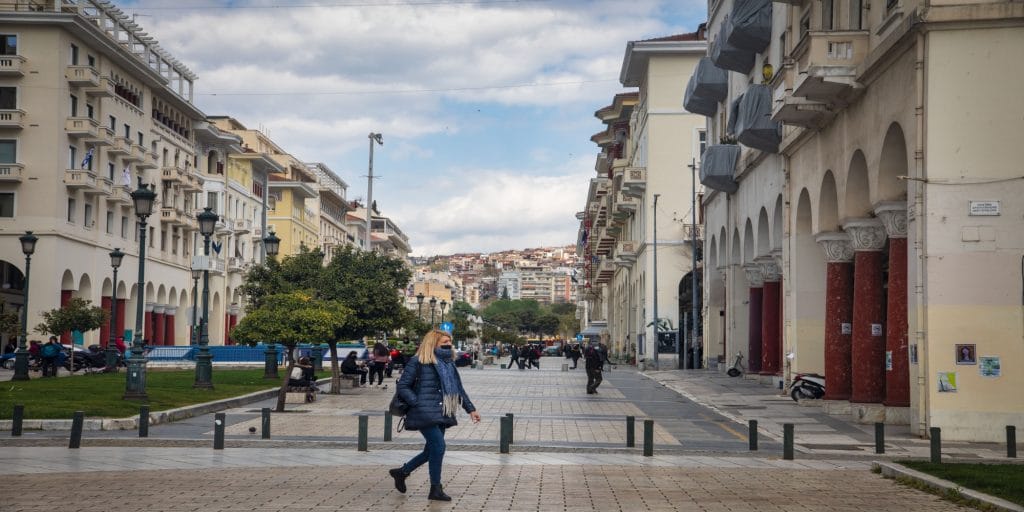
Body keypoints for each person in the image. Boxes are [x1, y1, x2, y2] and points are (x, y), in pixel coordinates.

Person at [389, 329, 481, 501]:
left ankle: (402, 472)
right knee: (439, 447)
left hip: (443, 411)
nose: (448, 344)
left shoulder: (449, 363)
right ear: (433, 343)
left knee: (431, 450)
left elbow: (458, 389)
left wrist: (471, 409)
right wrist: (417, 403)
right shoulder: (418, 361)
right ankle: (435, 489)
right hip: (424, 412)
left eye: (449, 342)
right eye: (444, 342)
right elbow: (403, 386)